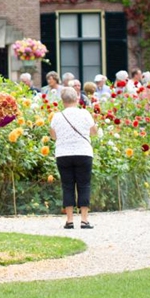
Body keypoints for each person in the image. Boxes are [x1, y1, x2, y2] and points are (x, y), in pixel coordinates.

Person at [49, 87, 98, 229]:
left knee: (67, 186)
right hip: (83, 152)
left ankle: (69, 220)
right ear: (77, 99)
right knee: (84, 185)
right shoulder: (84, 114)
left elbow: (53, 136)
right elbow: (93, 132)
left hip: (63, 154)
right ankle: (84, 220)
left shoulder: (57, 116)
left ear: (62, 101)